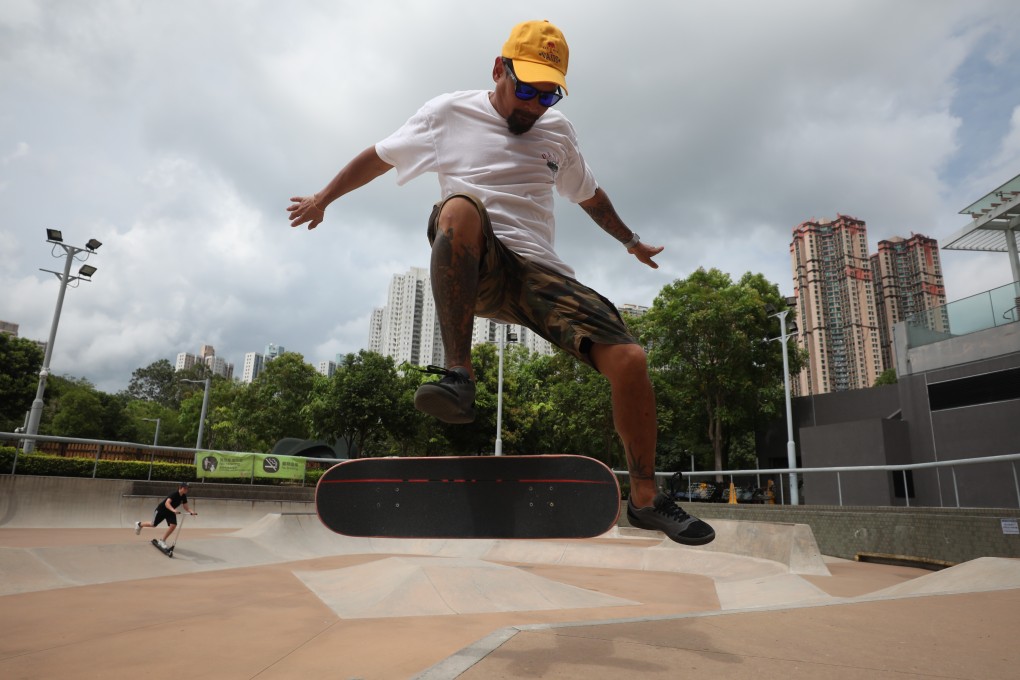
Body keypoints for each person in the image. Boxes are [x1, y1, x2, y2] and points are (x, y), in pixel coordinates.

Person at [287, 19, 715, 546]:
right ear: (498, 70)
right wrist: (323, 199)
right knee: (461, 207)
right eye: (526, 89)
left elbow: (589, 195)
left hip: (541, 275)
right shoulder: (447, 113)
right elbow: (377, 157)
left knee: (631, 361)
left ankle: (646, 499)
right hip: (480, 262)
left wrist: (630, 241)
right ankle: (458, 376)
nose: (534, 105)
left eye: (549, 94)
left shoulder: (559, 133)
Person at [134, 482, 197, 548]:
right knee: (153, 524)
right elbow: (167, 503)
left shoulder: (183, 496)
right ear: (180, 488)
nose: (187, 490)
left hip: (170, 512)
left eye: (187, 488)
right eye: (185, 488)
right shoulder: (174, 494)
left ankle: (162, 541)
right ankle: (139, 524)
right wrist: (173, 510)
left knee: (173, 525)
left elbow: (186, 507)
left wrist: (192, 512)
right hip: (161, 511)